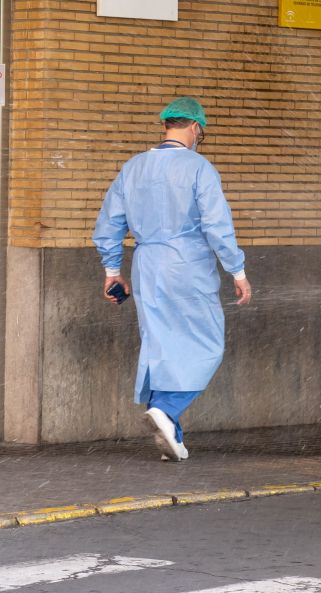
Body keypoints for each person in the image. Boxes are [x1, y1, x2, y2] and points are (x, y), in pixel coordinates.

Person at [93, 96, 252, 462]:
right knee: (207, 341)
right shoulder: (199, 168)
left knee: (160, 342)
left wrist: (112, 271)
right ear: (195, 127)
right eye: (202, 131)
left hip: (147, 264)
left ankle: (172, 434)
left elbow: (109, 224)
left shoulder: (132, 167)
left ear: (166, 125)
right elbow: (216, 225)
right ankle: (167, 408)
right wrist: (237, 271)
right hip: (188, 264)